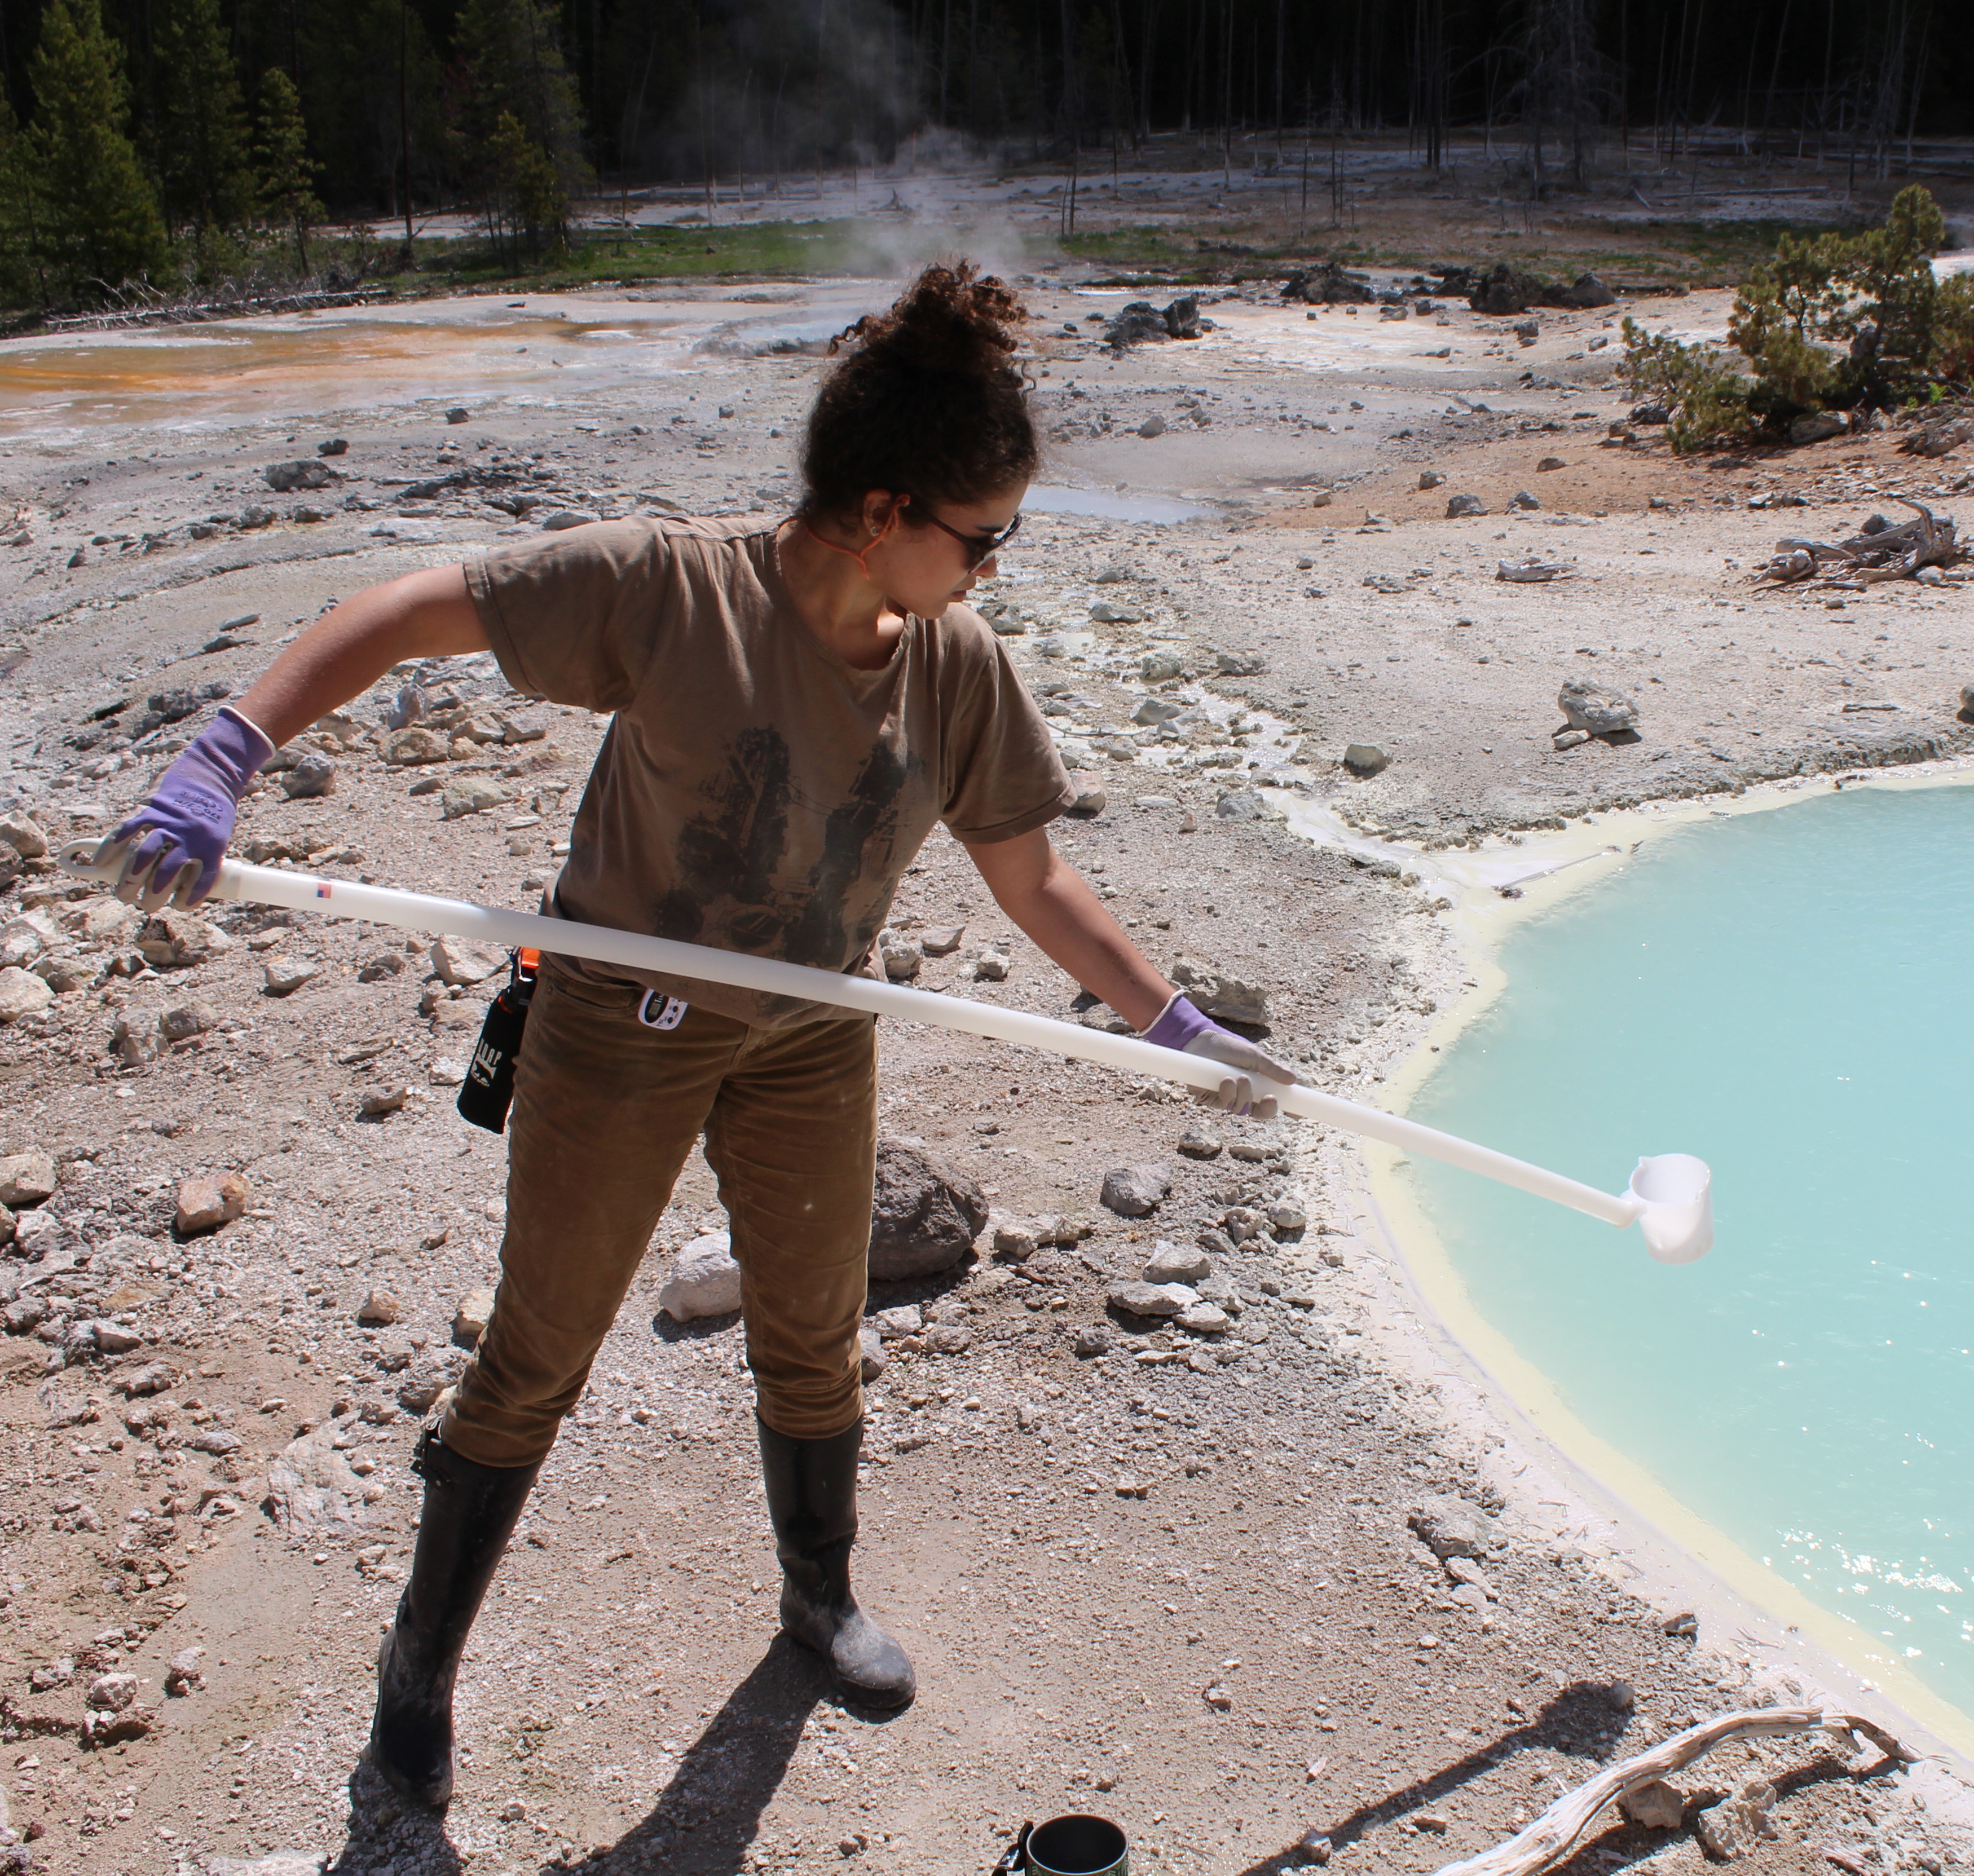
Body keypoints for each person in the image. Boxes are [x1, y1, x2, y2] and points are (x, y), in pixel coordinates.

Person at [93, 263, 1292, 1808]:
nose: (993, 570)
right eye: (981, 537)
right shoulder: (669, 588)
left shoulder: (960, 669)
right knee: (536, 1359)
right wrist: (226, 751)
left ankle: (818, 1599)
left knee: (813, 1331)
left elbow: (1032, 873)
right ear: (882, 508)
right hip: (620, 1025)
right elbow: (407, 612)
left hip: (813, 1035)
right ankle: (418, 1671)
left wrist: (1173, 1022)